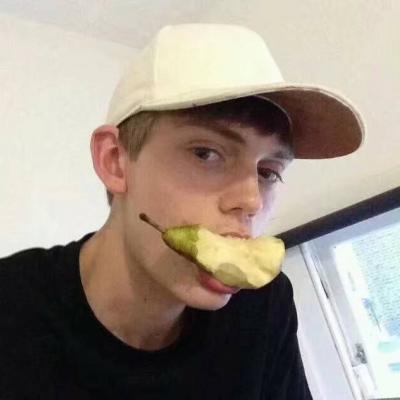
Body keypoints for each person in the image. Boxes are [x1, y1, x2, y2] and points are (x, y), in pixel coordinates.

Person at [0, 23, 364, 399]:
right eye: (206, 153)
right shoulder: (12, 312)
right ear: (115, 161)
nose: (252, 201)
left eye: (268, 172)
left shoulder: (263, 306)